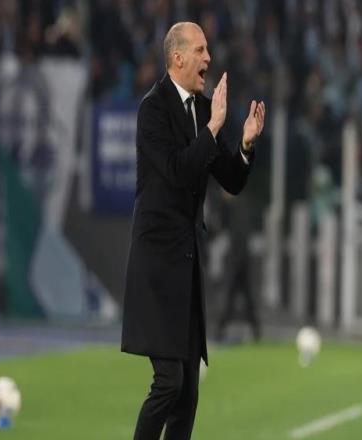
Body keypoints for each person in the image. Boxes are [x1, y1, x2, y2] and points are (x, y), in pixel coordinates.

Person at [121, 21, 265, 439]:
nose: (208, 58)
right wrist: (214, 128)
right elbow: (176, 172)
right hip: (156, 263)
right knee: (169, 382)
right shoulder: (153, 109)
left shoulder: (202, 110)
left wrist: (245, 145)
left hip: (186, 265)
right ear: (177, 57)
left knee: (188, 395)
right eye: (200, 50)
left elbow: (230, 180)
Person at [216, 190, 261, 343]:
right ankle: (254, 330)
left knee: (232, 294)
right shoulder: (242, 203)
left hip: (237, 258)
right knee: (244, 296)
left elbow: (230, 229)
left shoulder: (235, 205)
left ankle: (221, 329)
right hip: (243, 257)